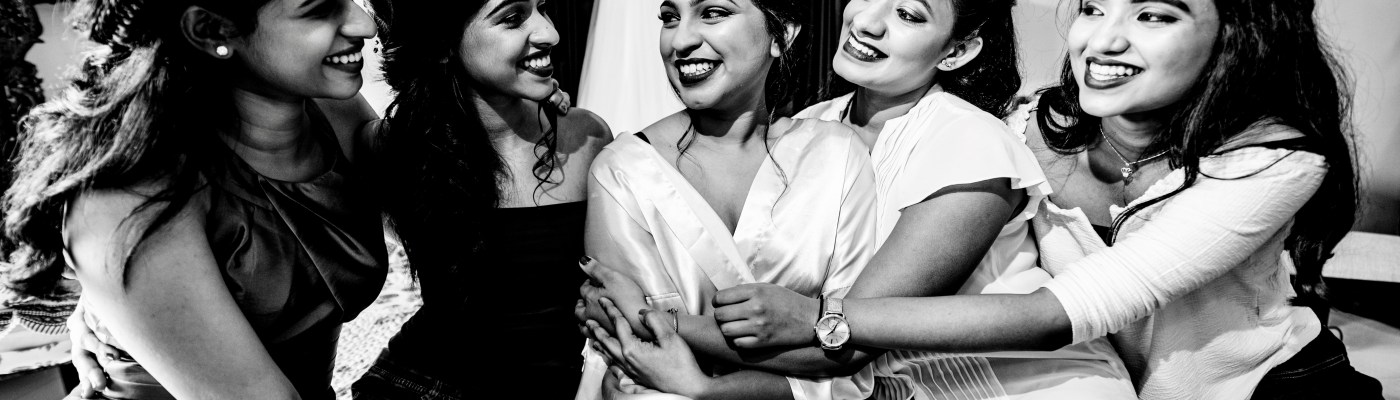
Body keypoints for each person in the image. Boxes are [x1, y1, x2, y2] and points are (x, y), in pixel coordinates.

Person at [649, 0, 1383, 399]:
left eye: (1155, 15)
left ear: (1234, 34)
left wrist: (820, 319)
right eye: (1093, 7)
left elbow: (1052, 316)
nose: (1104, 40)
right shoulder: (1027, 125)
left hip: (1270, 389)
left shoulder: (1273, 159)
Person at [578, 0, 1136, 398]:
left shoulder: (970, 142)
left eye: (908, 14)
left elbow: (844, 335)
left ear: (957, 50)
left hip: (1022, 385)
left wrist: (657, 321)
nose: (867, 20)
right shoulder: (814, 126)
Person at [1, 0, 388, 398]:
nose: (366, 24)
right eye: (319, 9)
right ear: (209, 30)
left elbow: (423, 220)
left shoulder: (326, 105)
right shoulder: (131, 200)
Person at [573, 0, 882, 398]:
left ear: (782, 34)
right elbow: (633, 363)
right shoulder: (622, 170)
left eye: (713, 12)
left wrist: (680, 351)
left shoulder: (837, 156)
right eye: (669, 18)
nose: (679, 40)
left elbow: (847, 354)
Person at [349, 0, 613, 398]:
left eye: (541, 8)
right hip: (419, 386)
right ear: (443, 45)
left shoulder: (585, 138)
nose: (550, 34)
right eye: (512, 18)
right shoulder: (395, 147)